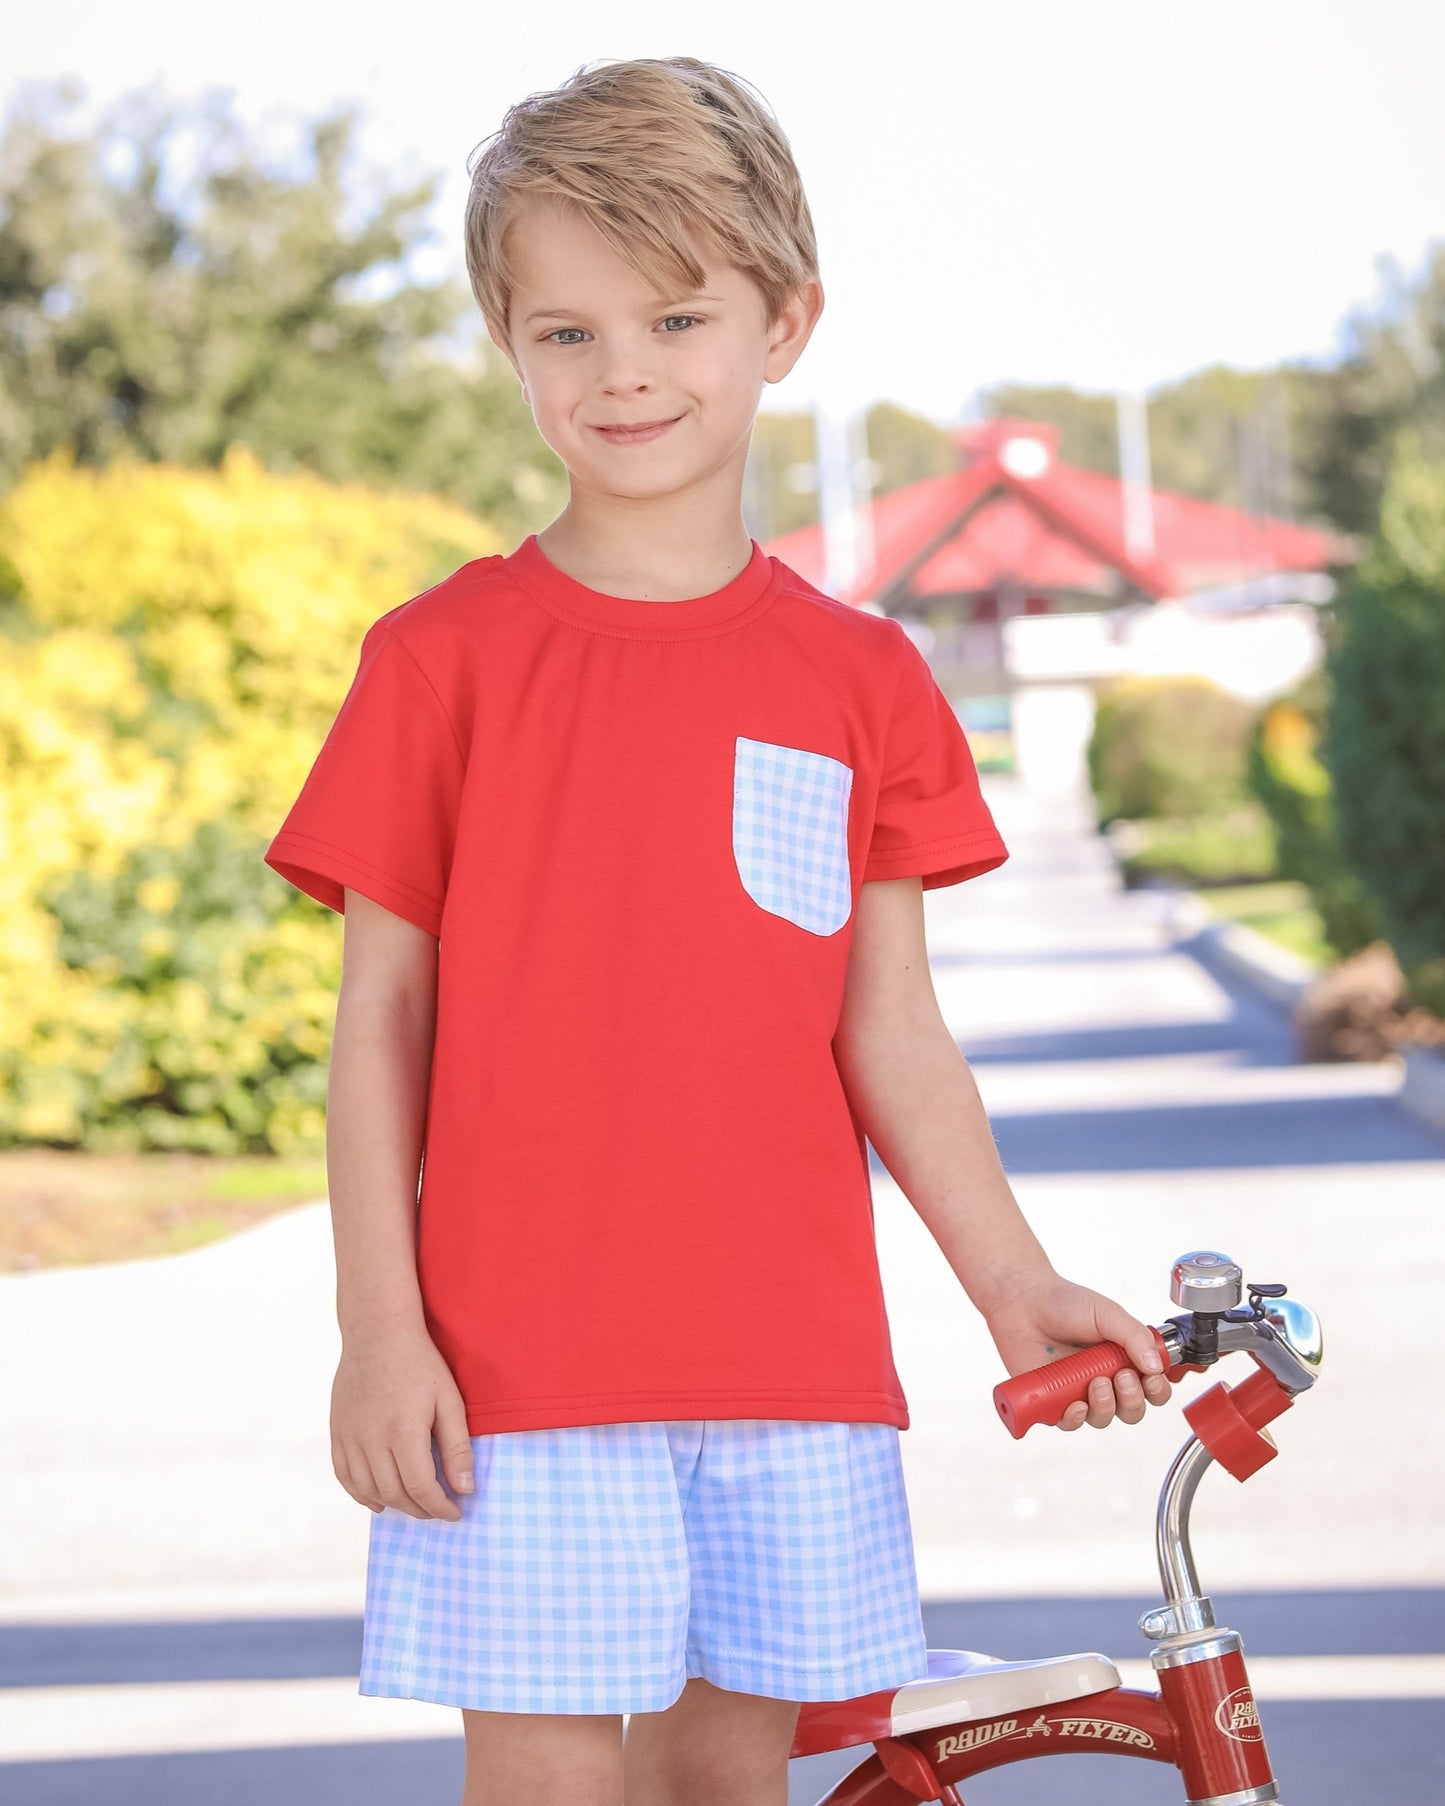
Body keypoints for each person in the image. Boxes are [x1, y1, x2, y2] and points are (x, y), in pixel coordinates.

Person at [262, 53, 1172, 1806]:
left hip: (790, 1370)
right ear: (507, 343)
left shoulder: (862, 679)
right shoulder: (439, 660)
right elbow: (380, 1020)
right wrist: (382, 1329)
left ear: (783, 322)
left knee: (725, 1789)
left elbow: (890, 1032)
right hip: (515, 1376)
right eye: (566, 332)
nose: (623, 375)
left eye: (675, 318)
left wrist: (1013, 1285)